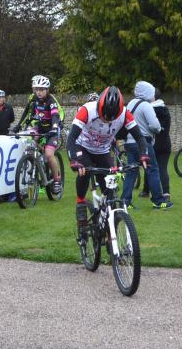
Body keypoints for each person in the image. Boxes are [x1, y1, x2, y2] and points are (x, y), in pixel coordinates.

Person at [67, 86, 150, 242]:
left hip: (103, 151)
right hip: (82, 147)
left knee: (110, 190)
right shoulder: (87, 110)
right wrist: (74, 160)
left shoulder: (125, 113)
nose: (107, 120)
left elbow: (140, 137)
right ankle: (81, 205)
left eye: (111, 118)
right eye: (104, 116)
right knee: (84, 172)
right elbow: (71, 138)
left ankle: (108, 225)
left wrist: (144, 155)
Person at [13, 75, 64, 195]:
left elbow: (55, 115)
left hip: (52, 129)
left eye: (41, 89)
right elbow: (27, 112)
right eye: (36, 89)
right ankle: (35, 166)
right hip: (40, 127)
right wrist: (19, 125)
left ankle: (57, 180)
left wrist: (55, 126)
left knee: (49, 154)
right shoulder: (34, 99)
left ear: (47, 89)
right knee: (29, 142)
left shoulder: (51, 101)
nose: (39, 92)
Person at [122, 81, 168, 209]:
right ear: (147, 92)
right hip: (143, 142)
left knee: (131, 172)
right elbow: (154, 125)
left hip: (129, 142)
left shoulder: (130, 104)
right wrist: (157, 130)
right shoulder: (146, 105)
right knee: (152, 169)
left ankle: (125, 201)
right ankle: (158, 201)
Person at [148, 88, 172, 203]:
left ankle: (146, 190)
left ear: (153, 97)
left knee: (150, 168)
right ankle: (166, 193)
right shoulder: (165, 109)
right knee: (163, 168)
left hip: (154, 143)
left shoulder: (150, 110)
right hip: (166, 143)